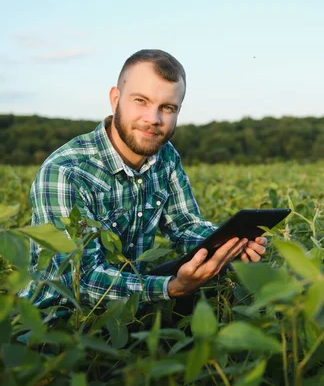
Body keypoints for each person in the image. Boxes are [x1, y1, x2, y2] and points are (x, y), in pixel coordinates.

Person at [19, 49, 267, 317]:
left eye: (167, 108)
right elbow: (81, 279)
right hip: (62, 319)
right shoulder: (65, 172)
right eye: (141, 101)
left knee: (224, 274)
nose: (153, 119)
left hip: (129, 303)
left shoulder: (165, 156)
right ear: (116, 99)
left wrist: (229, 243)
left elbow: (185, 226)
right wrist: (170, 288)